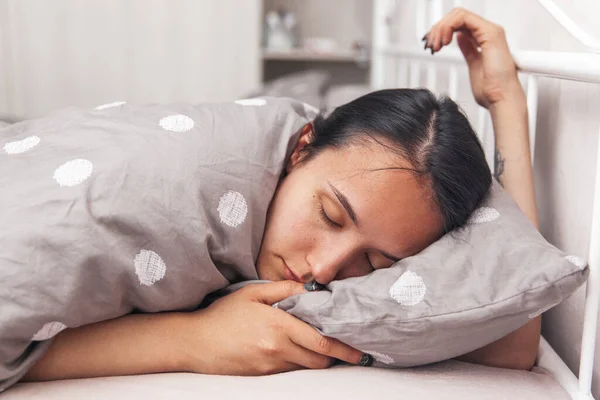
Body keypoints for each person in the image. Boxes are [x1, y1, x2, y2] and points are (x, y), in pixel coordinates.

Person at [21, 8, 540, 381]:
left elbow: (513, 339)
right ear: (302, 149)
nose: (326, 271)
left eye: (377, 260)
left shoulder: (344, 276)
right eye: (330, 215)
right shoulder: (185, 183)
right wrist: (189, 340)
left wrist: (505, 104)